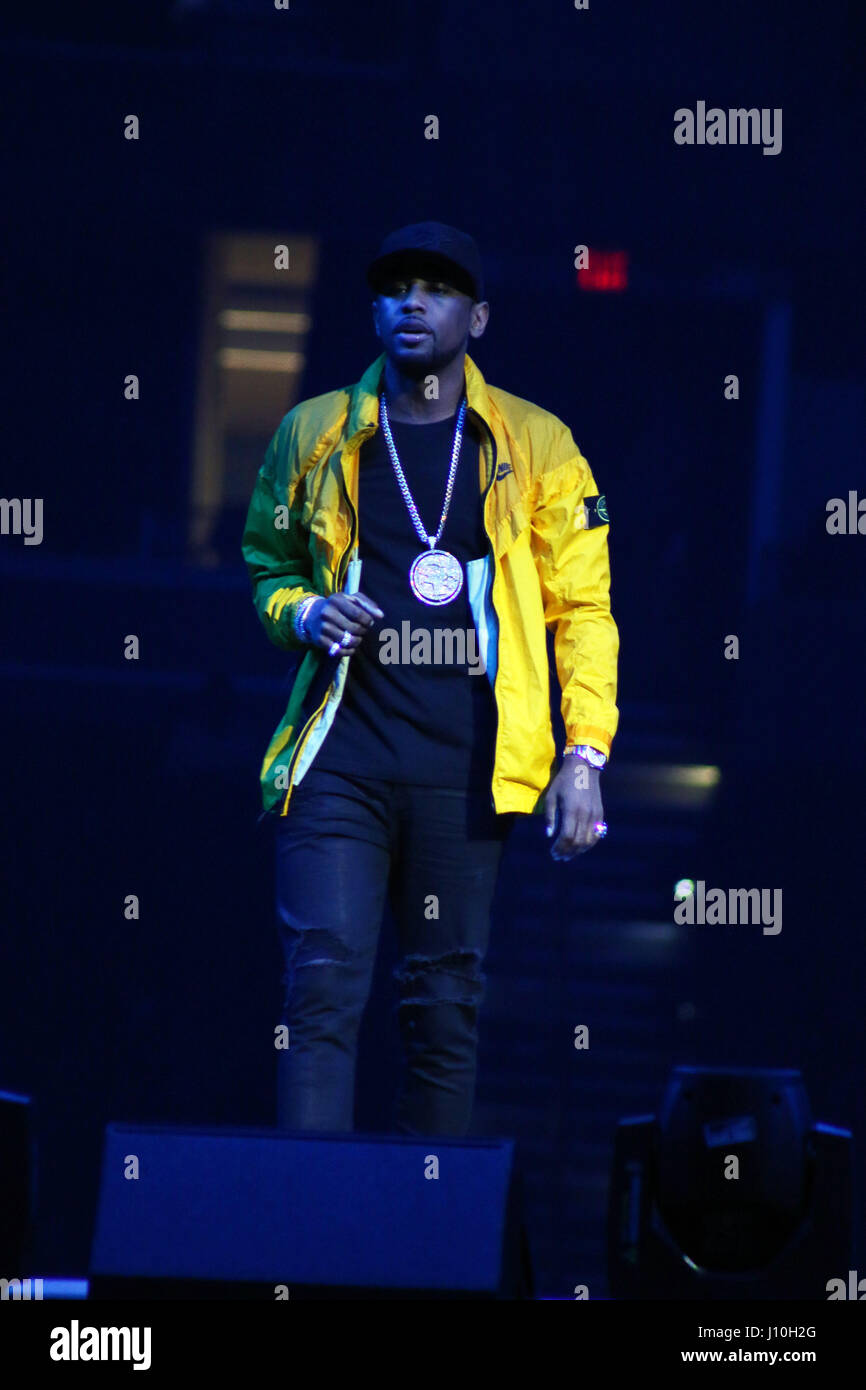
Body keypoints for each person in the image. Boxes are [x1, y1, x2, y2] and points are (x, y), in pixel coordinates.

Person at [242, 221, 619, 1137]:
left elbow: (584, 608)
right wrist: (304, 613)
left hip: (468, 772)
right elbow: (266, 567)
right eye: (396, 288)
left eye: (439, 289)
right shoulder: (315, 431)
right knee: (322, 989)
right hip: (342, 761)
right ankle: (306, 1242)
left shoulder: (537, 442)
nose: (414, 301)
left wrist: (584, 753)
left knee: (444, 1009)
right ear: (372, 309)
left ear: (477, 317)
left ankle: (424, 1247)